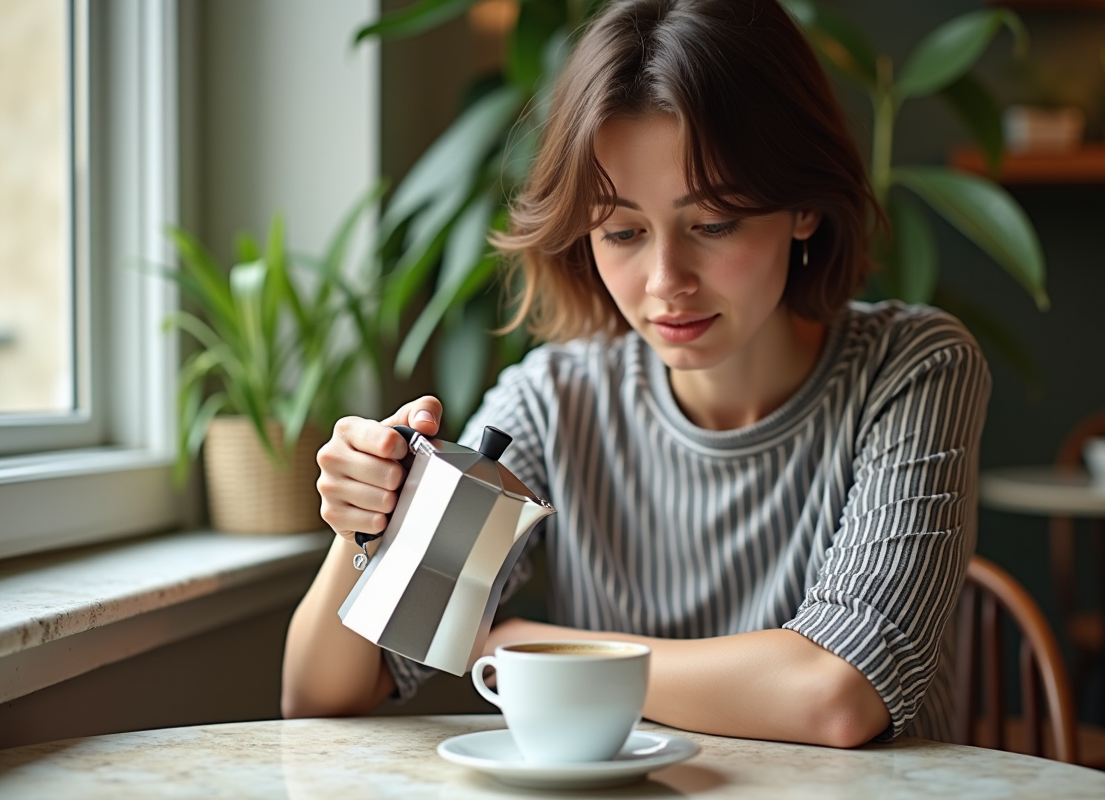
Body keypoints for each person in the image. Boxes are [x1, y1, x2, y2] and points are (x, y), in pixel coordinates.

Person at [282, 0, 990, 748]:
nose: (665, 280)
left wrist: (534, 653)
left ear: (805, 206)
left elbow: (838, 696)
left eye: (714, 222)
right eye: (622, 231)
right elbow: (322, 695)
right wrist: (361, 531)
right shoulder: (555, 402)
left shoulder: (912, 368)